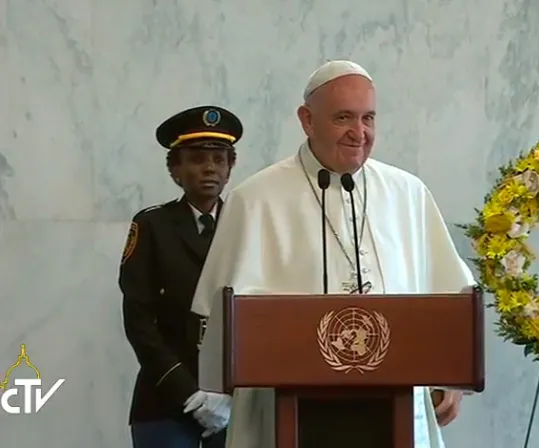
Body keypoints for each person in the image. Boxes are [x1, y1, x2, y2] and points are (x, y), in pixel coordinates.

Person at [191, 61, 476, 448]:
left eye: (368, 118)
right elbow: (223, 318)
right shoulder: (257, 199)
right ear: (307, 120)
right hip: (286, 415)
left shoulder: (407, 194)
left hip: (393, 412)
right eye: (343, 117)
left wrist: (447, 377)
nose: (359, 133)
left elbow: (449, 299)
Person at [119, 105, 244, 448]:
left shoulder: (246, 226)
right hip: (165, 401)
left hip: (234, 402)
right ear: (175, 169)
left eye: (219, 159)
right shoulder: (152, 226)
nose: (209, 168)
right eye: (196, 159)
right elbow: (140, 322)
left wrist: (230, 391)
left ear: (230, 168)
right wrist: (189, 392)